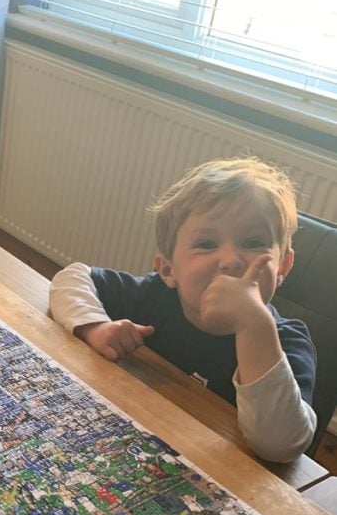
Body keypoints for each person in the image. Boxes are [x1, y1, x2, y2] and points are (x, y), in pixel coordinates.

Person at [49, 157, 316, 463]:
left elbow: (282, 445)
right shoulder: (155, 296)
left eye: (253, 241)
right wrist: (94, 327)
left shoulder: (286, 341)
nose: (230, 260)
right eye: (206, 243)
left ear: (283, 265)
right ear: (168, 269)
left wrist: (254, 325)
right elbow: (72, 277)